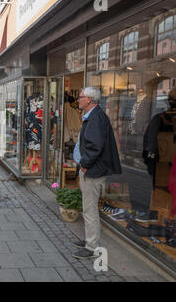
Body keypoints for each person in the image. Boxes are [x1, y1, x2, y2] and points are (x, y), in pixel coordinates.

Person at [72, 87, 122, 258]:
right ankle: (89, 239)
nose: (78, 99)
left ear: (89, 99)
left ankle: (92, 247)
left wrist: (85, 163)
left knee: (90, 208)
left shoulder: (96, 117)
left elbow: (95, 145)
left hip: (92, 170)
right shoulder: (93, 115)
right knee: (88, 207)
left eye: (81, 97)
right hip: (91, 168)